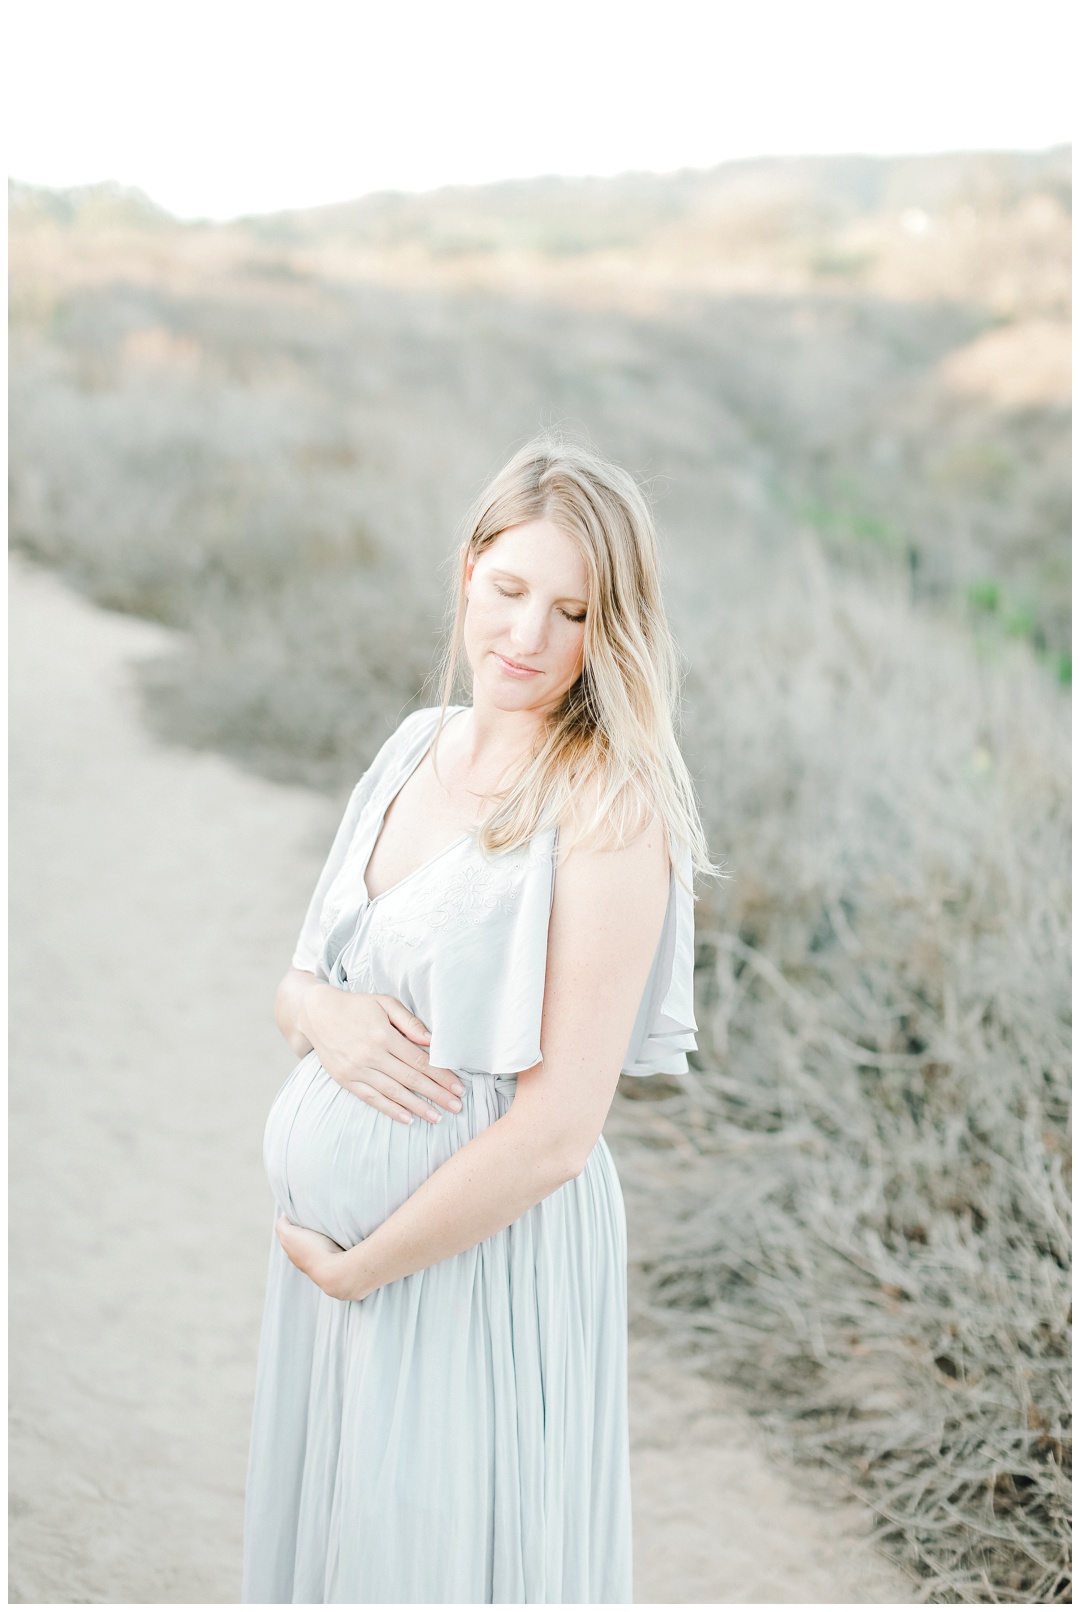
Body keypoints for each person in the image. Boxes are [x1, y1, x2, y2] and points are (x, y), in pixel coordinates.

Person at [242, 438, 712, 1604]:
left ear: (613, 630)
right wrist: (326, 1017)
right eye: (510, 590)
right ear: (467, 569)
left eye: (572, 611)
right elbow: (302, 980)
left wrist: (367, 1267)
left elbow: (558, 1133)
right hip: (336, 1272)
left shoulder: (609, 808)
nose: (528, 638)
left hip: (475, 1260)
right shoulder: (413, 744)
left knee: (446, 1562)